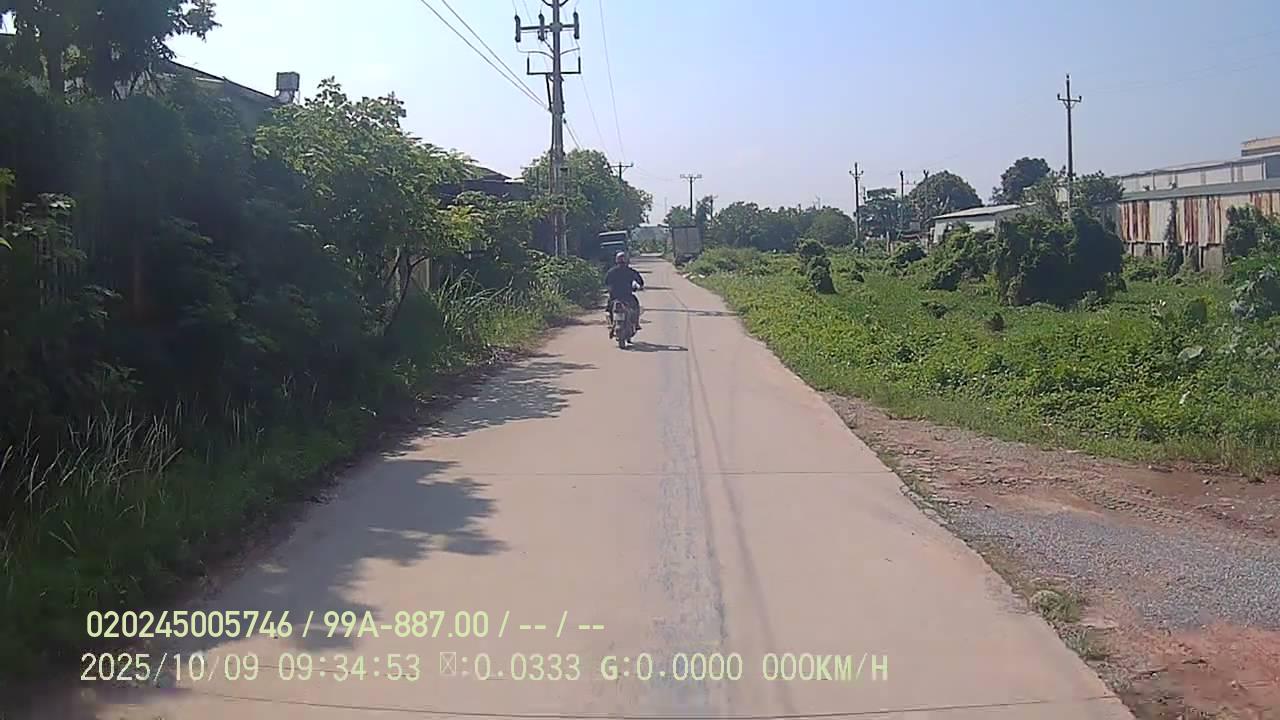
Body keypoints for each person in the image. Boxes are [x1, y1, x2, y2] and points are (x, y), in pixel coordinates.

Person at [604, 251, 644, 337]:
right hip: (627, 296)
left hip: (614, 297)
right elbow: (640, 281)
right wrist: (639, 286)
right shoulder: (630, 271)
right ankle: (636, 323)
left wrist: (608, 289)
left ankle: (611, 324)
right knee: (636, 306)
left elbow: (606, 283)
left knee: (608, 310)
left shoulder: (611, 271)